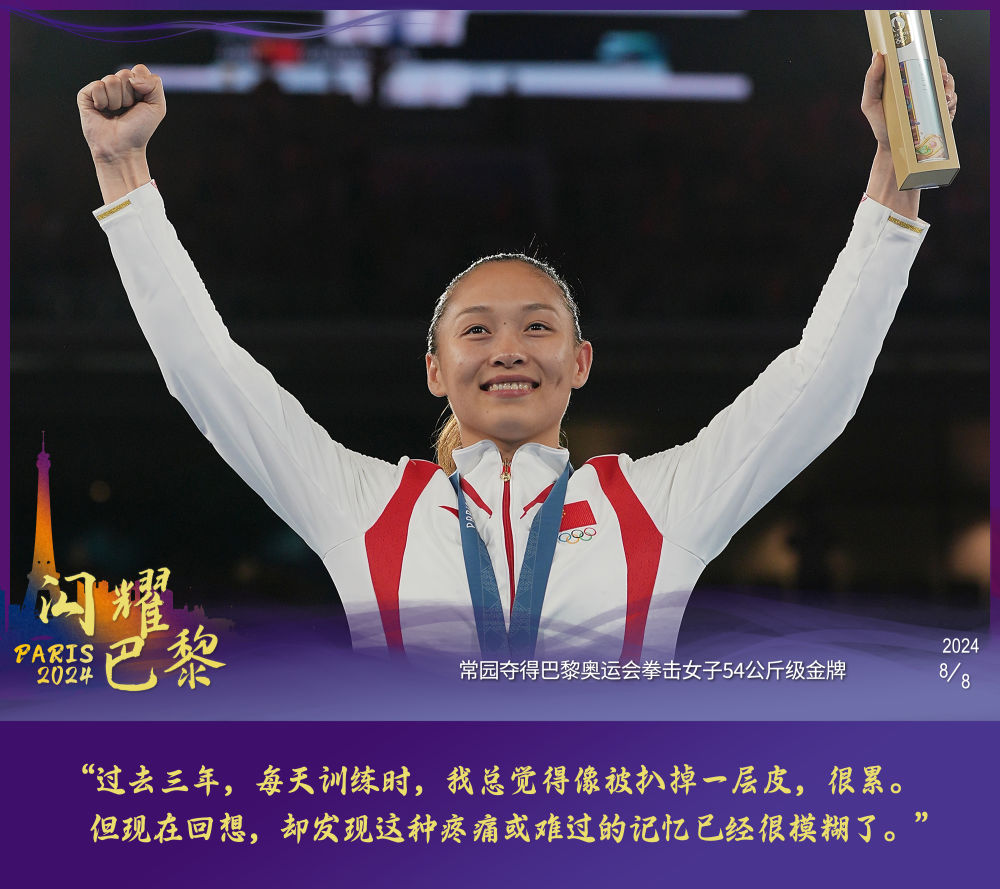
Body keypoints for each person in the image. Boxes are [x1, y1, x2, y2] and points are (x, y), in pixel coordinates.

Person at [78, 55, 957, 663]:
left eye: (537, 328)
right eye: (476, 331)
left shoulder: (655, 506)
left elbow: (815, 387)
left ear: (580, 362)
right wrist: (124, 173)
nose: (507, 349)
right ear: (434, 370)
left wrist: (894, 171)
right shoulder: (366, 508)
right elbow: (211, 374)